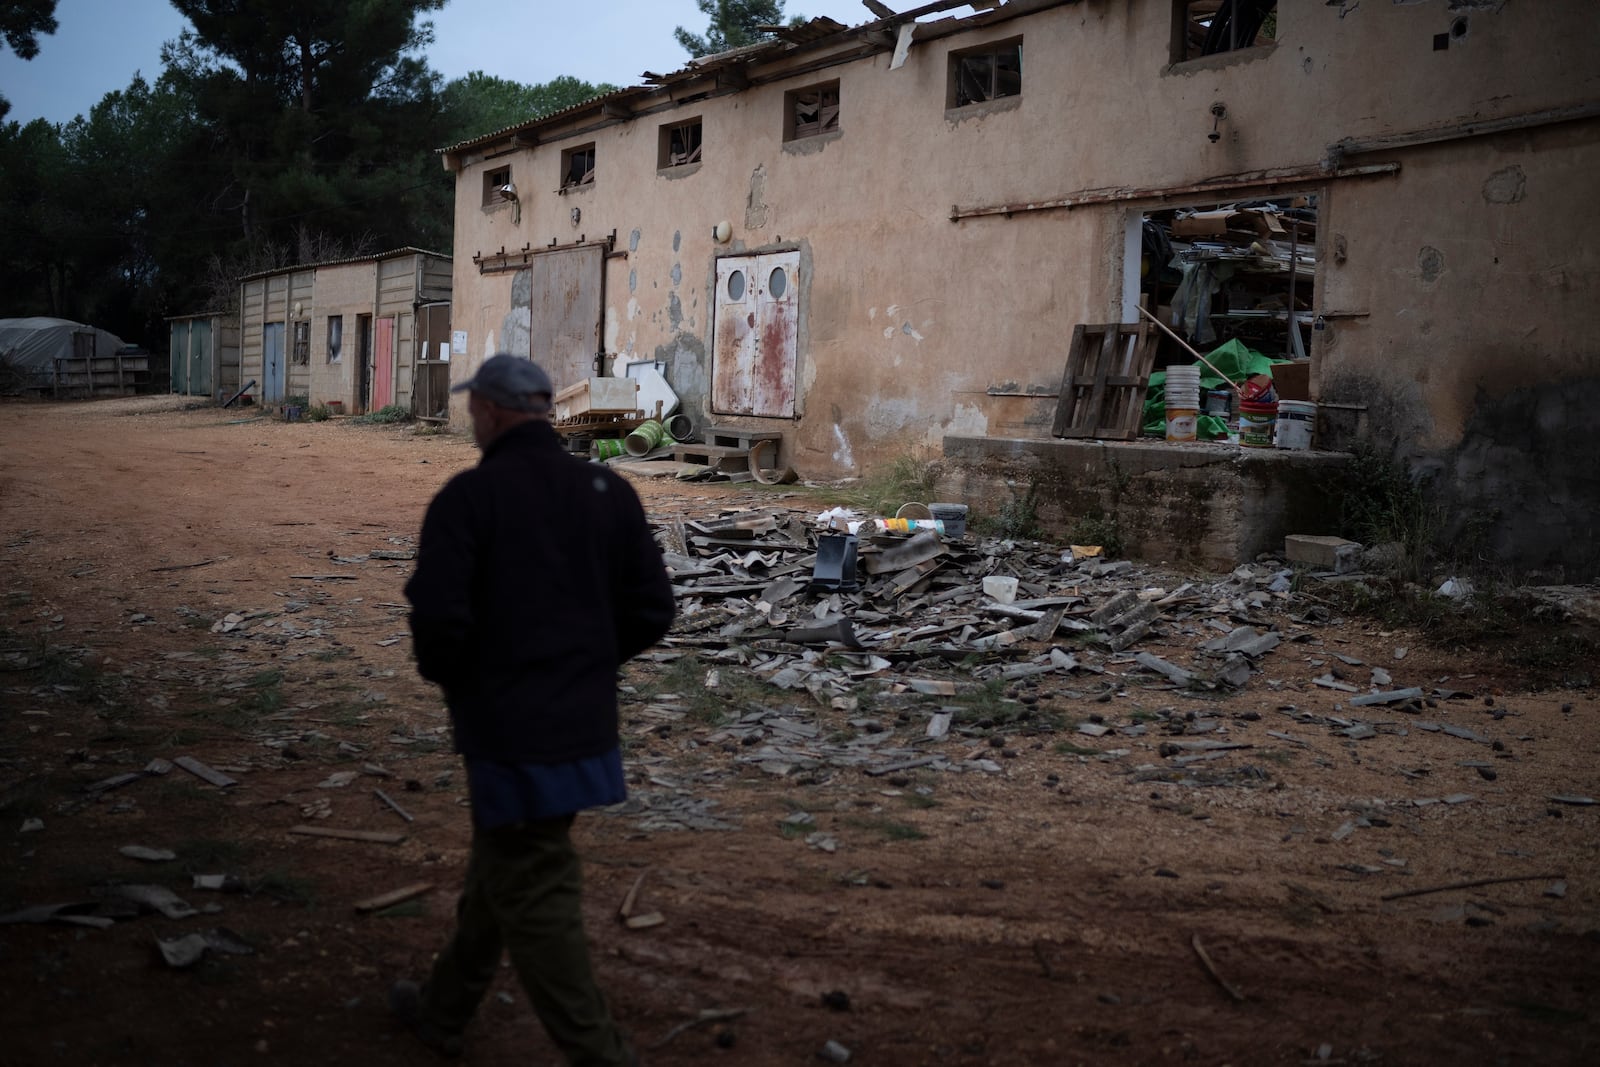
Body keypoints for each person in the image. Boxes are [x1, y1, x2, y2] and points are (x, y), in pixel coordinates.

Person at [392, 354, 675, 1065]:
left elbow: (437, 622)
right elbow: (651, 610)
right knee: (510, 857)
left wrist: (471, 684)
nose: (471, 421)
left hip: (511, 731)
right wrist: (586, 665)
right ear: (546, 410)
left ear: (489, 410)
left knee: (536, 884)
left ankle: (601, 1054)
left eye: (473, 410)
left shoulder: (470, 499)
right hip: (581, 724)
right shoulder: (608, 491)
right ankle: (441, 1009)